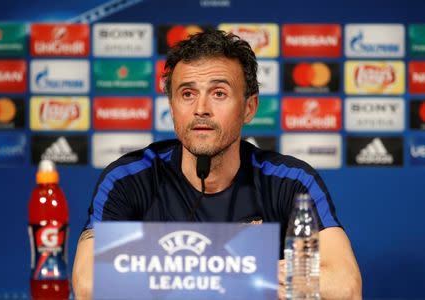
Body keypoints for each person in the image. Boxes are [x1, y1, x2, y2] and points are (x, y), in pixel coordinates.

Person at [72, 29, 362, 299]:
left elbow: (344, 285)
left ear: (249, 108)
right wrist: (250, 273)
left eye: (219, 93)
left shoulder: (291, 181)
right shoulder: (128, 178)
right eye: (187, 94)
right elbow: (87, 284)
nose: (201, 109)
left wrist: (169, 273)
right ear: (172, 107)